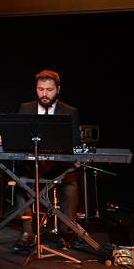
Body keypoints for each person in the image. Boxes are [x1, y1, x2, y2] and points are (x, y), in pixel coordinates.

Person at [13, 69, 80, 252]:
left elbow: (75, 141)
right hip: (34, 164)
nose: (44, 94)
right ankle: (27, 233)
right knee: (21, 182)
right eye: (40, 89)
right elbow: (18, 138)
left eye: (49, 90)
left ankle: (65, 233)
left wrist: (74, 158)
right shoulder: (25, 108)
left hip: (59, 165)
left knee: (71, 185)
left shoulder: (69, 111)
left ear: (58, 89)